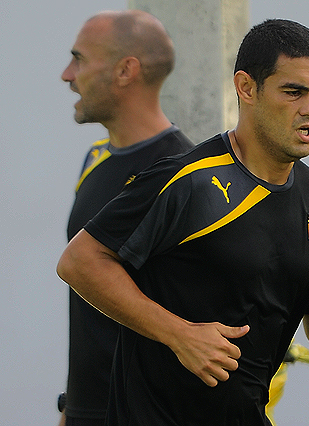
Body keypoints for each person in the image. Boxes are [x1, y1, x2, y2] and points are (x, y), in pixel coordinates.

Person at [57, 18, 309, 426]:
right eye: (293, 91)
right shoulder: (188, 179)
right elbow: (80, 261)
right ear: (246, 88)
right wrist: (179, 334)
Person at [58, 10, 194, 426]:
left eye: (79, 59)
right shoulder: (95, 158)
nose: (67, 75)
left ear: (125, 70)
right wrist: (71, 407)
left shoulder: (184, 173)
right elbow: (89, 315)